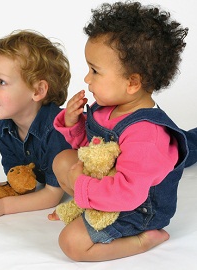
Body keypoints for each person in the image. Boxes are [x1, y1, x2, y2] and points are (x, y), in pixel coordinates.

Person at [48, 1, 197, 262]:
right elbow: (93, 150)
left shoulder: (147, 136)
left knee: (71, 243)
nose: (87, 79)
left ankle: (141, 241)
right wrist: (73, 125)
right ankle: (92, 199)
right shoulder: (108, 108)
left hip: (138, 207)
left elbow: (128, 194)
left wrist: (80, 186)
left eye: (95, 71)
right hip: (111, 185)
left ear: (132, 83)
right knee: (62, 161)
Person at [0, 30, 72, 219]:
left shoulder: (56, 129)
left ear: (38, 90)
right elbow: (23, 182)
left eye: (1, 82)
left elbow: (52, 195)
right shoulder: (5, 128)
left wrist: (2, 206)